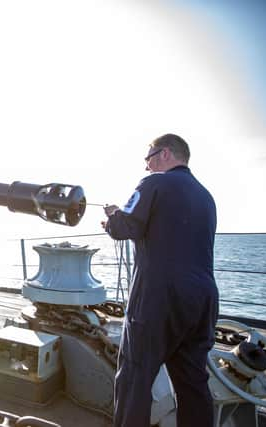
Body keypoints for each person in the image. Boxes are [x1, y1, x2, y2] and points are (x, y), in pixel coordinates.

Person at [102, 134, 219, 427]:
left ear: (165, 154)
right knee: (193, 384)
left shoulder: (154, 183)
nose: (147, 167)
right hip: (202, 301)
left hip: (158, 299)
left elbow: (123, 226)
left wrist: (112, 217)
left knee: (134, 379)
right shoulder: (206, 196)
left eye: (149, 158)